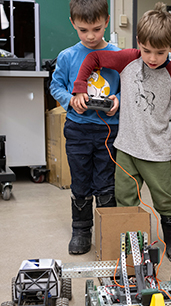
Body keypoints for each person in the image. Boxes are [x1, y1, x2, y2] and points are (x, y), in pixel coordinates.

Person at [71, 2, 171, 263]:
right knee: (125, 199)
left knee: (165, 200)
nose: (152, 58)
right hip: (126, 149)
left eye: (160, 52)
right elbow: (94, 57)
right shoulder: (128, 59)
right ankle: (131, 245)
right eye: (146, 50)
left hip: (156, 152)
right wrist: (80, 85)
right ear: (139, 42)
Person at [50, 0, 121, 255]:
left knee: (105, 183)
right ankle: (81, 229)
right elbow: (55, 86)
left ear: (107, 21)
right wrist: (70, 99)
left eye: (97, 29)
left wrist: (117, 100)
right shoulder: (67, 56)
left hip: (108, 132)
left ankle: (108, 232)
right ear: (73, 24)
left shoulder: (117, 54)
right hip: (78, 130)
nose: (90, 36)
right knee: (80, 181)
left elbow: (128, 87)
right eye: (83, 30)